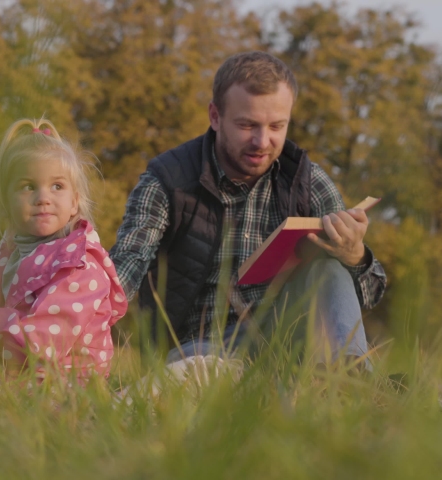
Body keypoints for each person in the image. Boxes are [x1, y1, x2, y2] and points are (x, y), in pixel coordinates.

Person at [109, 51, 387, 367]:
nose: (262, 141)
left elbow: (370, 295)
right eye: (247, 125)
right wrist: (75, 314)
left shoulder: (308, 181)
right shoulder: (167, 179)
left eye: (276, 126)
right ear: (215, 116)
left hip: (284, 338)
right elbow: (128, 262)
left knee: (330, 267)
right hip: (196, 347)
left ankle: (351, 378)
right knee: (201, 370)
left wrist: (354, 255)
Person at [0, 119, 127, 384]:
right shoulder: (15, 253)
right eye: (28, 186)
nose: (43, 197)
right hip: (19, 379)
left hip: (63, 387)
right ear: (7, 203)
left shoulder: (79, 267)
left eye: (57, 186)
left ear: (74, 202)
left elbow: (44, 341)